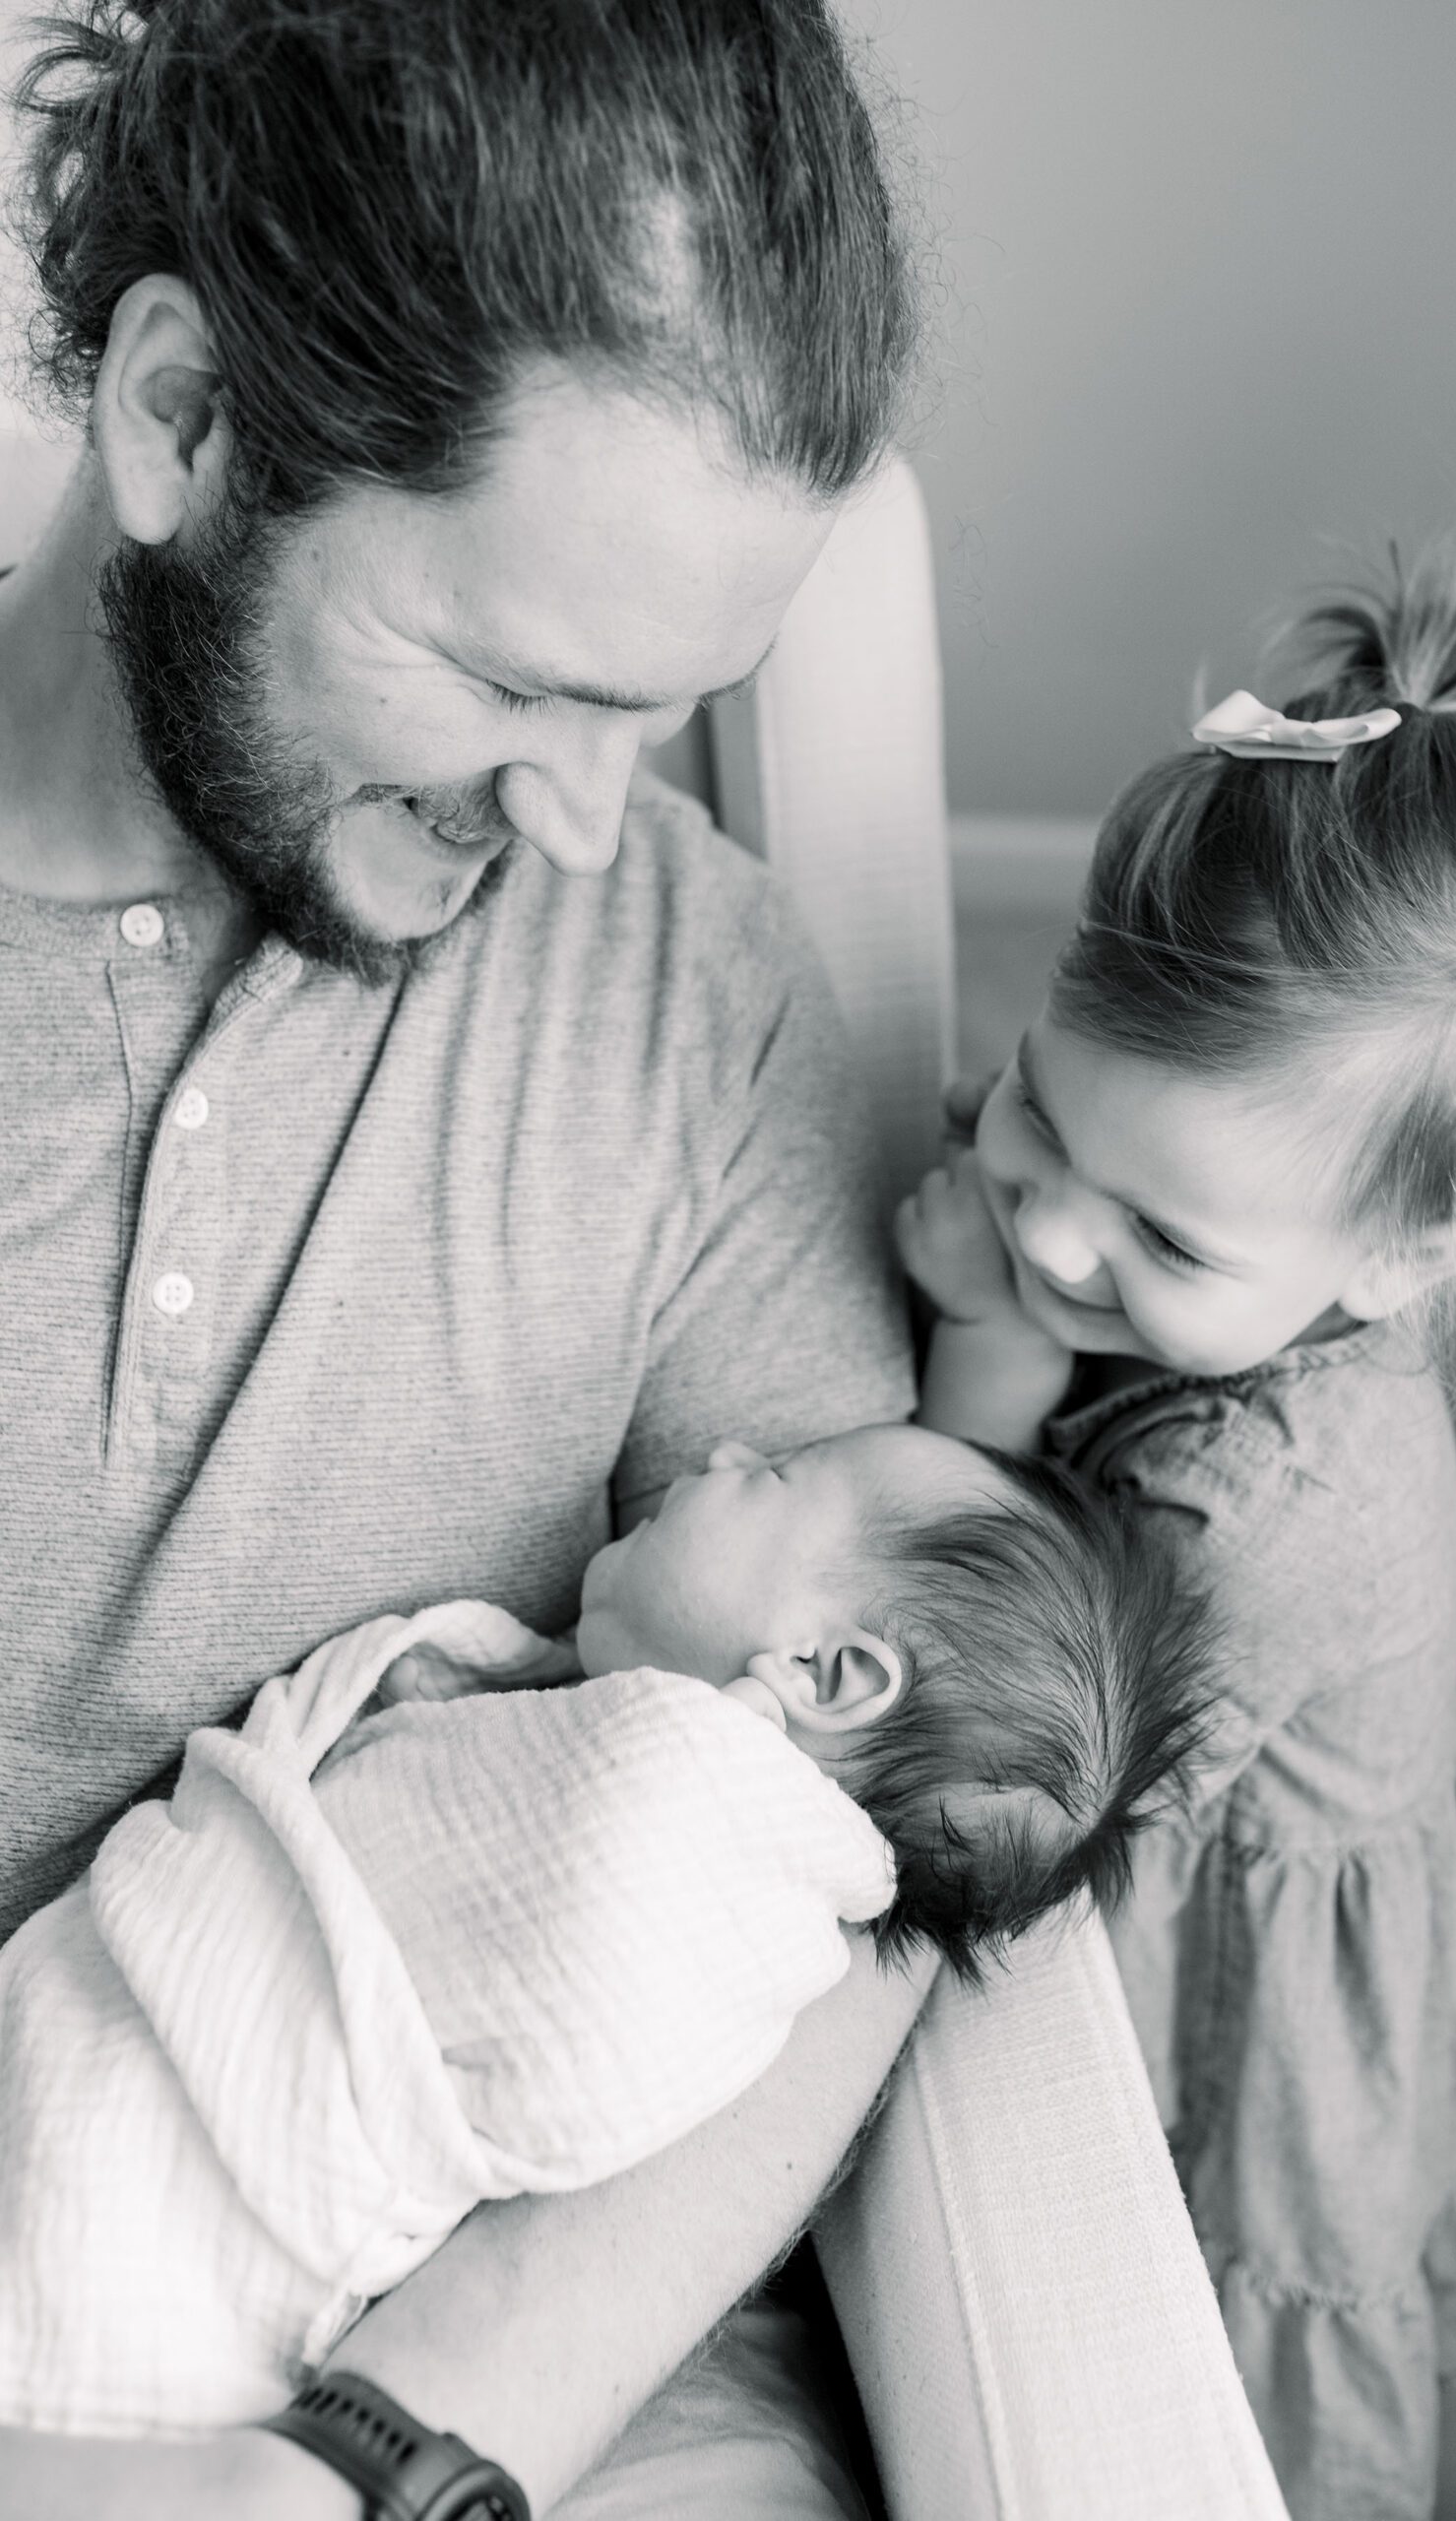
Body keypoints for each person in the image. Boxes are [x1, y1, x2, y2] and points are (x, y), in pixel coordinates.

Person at [0, 2, 939, 2513]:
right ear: (181, 417)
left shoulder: (697, 1002)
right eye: (520, 676)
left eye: (674, 709)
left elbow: (864, 1860)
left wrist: (374, 2456)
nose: (594, 817)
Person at [896, 499, 1456, 2521]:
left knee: (1306, 2341)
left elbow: (1009, 1686)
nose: (1047, 1220)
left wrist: (985, 1348)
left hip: (1251, 1901)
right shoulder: (1233, 1217)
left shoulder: (1240, 1515)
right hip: (1344, 1790)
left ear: (1408, 1262)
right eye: (1040, 1110)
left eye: (1150, 1232)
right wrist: (1081, 1214)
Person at [0, 1420, 1208, 2436]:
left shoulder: (682, 1850)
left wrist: (682, 1765)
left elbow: (565, 2057)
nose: (725, 1446)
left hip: (149, 2209)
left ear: (825, 1673)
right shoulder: (648, 1782)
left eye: (772, 1475)